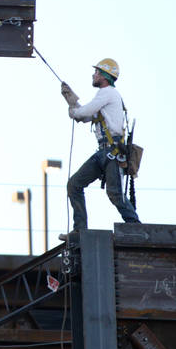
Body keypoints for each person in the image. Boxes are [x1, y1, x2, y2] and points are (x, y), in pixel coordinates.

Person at [60, 58, 141, 231]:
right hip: (104, 153)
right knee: (74, 185)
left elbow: (83, 112)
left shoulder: (108, 93)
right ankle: (80, 230)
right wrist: (73, 104)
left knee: (115, 194)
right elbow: (85, 116)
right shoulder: (106, 96)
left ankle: (136, 227)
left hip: (111, 153)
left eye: (97, 72)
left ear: (105, 76)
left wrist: (74, 107)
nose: (94, 75)